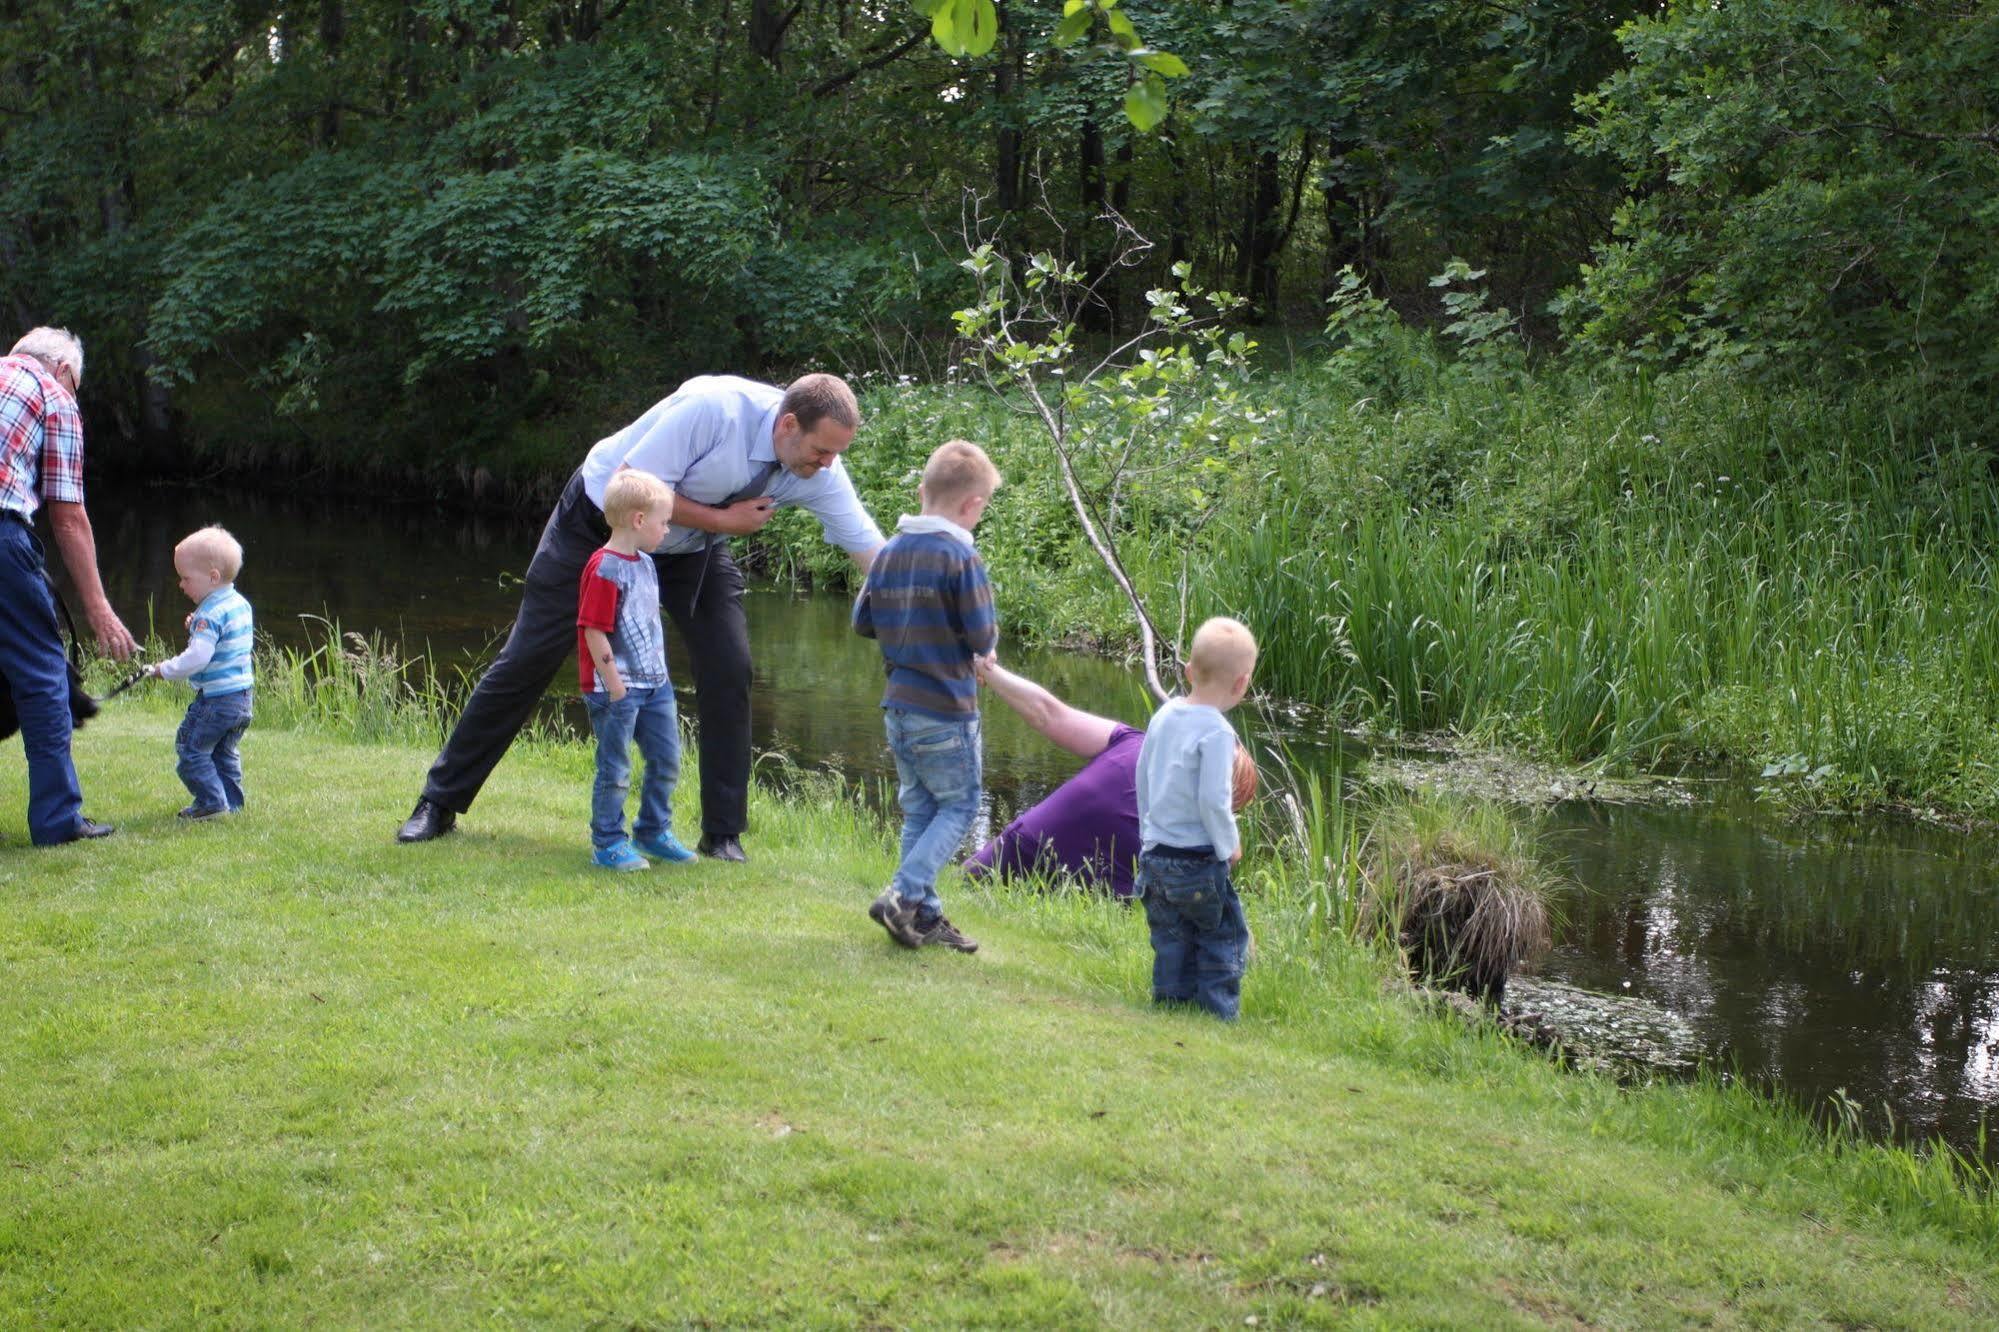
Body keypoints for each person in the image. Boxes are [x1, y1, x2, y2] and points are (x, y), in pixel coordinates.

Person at [396, 373, 884, 858]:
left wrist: (934, 627)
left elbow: (870, 551)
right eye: (822, 451)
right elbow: (629, 487)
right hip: (603, 525)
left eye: (836, 453)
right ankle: (439, 803)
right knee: (530, 658)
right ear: (789, 424)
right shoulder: (713, 412)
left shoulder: (819, 470)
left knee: (729, 666)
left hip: (690, 547)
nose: (828, 465)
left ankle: (722, 835)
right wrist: (723, 520)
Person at [852, 439, 1000, 953]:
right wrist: (984, 652)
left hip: (898, 705)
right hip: (945, 707)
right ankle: (904, 894)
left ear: (922, 492)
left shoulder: (889, 552)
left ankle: (924, 916)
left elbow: (861, 621)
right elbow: (982, 637)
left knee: (919, 811)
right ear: (972, 505)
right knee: (959, 806)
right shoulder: (962, 556)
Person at [0, 327, 136, 845]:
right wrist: (98, 609)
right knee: (42, 679)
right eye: (77, 384)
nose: (74, 393)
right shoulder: (53, 395)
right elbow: (68, 516)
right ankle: (57, 822)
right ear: (63, 370)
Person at [965, 657, 1256, 899]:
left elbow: (1048, 714)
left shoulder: (1133, 743)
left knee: (961, 888)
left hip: (1019, 855)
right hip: (1081, 894)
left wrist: (986, 668)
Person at [1135, 616, 1259, 1021]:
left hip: (1156, 856)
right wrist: (1229, 845)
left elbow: (1143, 775)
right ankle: (1218, 1013)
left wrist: (1146, 833)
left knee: (1171, 938)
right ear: (1241, 684)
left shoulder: (1165, 715)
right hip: (1198, 862)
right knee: (1221, 935)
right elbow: (1212, 800)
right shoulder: (1219, 733)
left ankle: (1171, 1002)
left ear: (1188, 671)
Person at [576, 470, 696, 871]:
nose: (668, 529)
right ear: (639, 520)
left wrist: (658, 676)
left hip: (655, 684)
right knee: (616, 769)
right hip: (618, 688)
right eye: (664, 522)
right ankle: (608, 842)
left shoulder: (645, 563)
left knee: (667, 759)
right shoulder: (604, 568)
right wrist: (614, 687)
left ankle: (653, 830)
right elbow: (593, 629)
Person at [142, 526, 254, 819]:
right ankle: (231, 804)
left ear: (213, 577)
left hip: (217, 700)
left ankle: (211, 803)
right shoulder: (238, 605)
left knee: (190, 748)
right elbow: (223, 640)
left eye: (186, 578)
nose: (181, 585)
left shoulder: (209, 615)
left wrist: (163, 670)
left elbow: (198, 658)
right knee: (223, 753)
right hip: (242, 698)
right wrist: (198, 625)